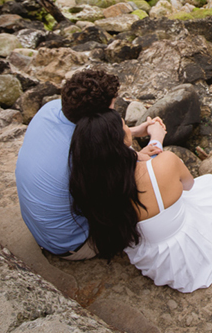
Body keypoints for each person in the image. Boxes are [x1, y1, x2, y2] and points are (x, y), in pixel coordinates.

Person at [68, 109, 212, 292]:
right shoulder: (167, 161)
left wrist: (146, 151)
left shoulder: (92, 184)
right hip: (187, 255)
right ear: (120, 139)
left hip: (157, 260)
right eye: (124, 126)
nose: (129, 128)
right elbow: (188, 185)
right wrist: (157, 141)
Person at [15, 68, 164, 260]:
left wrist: (133, 131)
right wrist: (156, 139)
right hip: (73, 244)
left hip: (41, 230)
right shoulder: (86, 152)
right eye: (112, 109)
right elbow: (144, 176)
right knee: (145, 188)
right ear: (96, 118)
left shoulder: (51, 109)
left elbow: (102, 136)